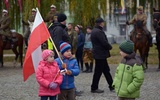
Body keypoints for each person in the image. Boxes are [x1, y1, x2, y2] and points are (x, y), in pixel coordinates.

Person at [90, 18, 114, 93]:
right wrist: (110, 47)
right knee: (98, 72)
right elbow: (103, 42)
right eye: (103, 23)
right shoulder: (98, 32)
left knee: (106, 70)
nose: (103, 24)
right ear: (100, 23)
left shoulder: (94, 31)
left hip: (99, 54)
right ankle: (94, 87)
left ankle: (112, 85)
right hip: (100, 54)